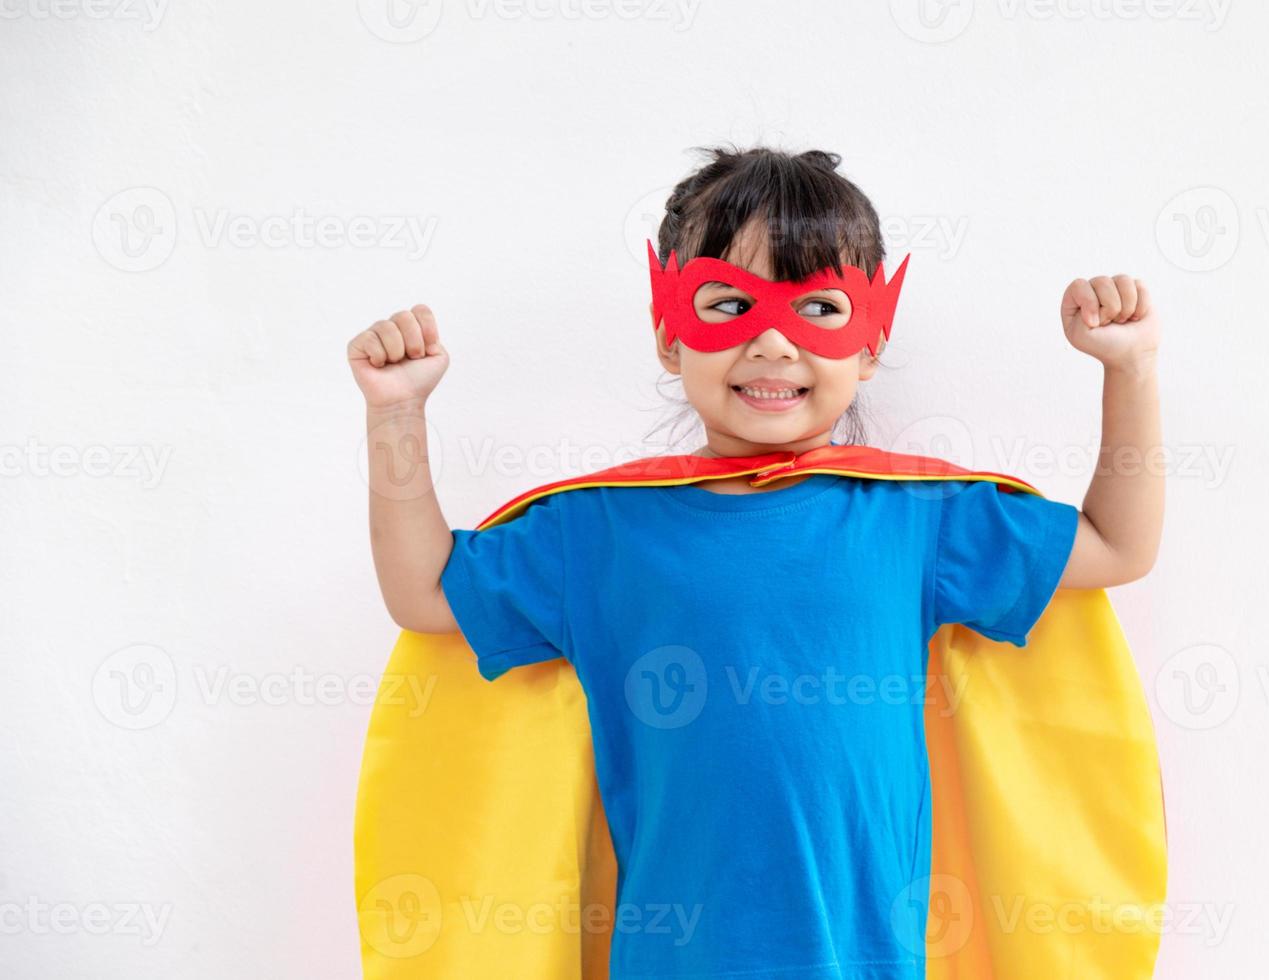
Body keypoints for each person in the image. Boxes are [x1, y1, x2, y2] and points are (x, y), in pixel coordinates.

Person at [346, 145, 1164, 979]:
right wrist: (397, 415)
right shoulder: (596, 529)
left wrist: (1130, 370)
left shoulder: (918, 517)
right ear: (669, 333)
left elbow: (1117, 546)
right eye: (729, 304)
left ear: (871, 343)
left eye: (817, 308)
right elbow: (423, 594)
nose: (773, 344)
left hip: (866, 960)